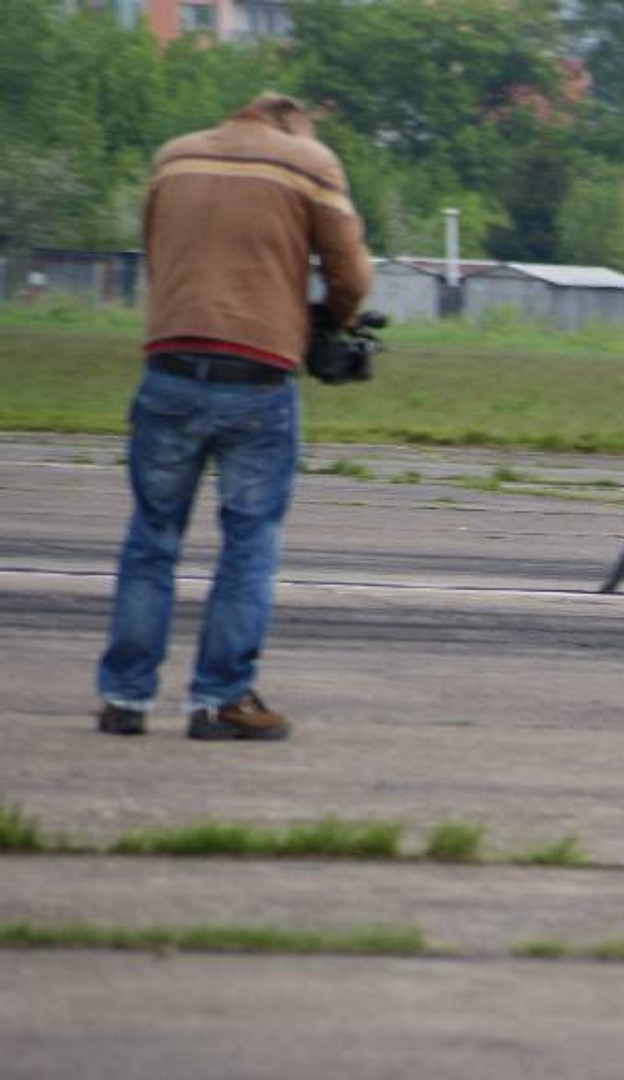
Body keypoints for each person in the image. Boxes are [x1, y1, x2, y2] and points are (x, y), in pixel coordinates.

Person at [95, 92, 372, 740]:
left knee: (150, 540)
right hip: (256, 377)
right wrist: (332, 320)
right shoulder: (308, 163)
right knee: (249, 544)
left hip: (167, 366)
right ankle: (219, 700)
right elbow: (351, 274)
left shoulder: (175, 157)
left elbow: (157, 254)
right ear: (293, 125)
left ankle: (125, 697)